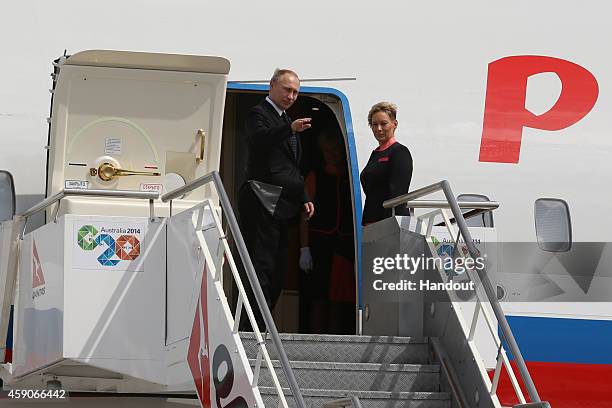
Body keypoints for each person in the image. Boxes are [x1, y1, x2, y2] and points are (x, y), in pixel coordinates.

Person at [238, 68, 315, 324]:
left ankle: (262, 322)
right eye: (287, 89)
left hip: (282, 205)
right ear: (271, 86)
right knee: (261, 265)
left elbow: (291, 167)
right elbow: (260, 140)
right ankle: (253, 326)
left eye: (295, 92)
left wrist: (304, 195)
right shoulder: (258, 114)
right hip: (261, 200)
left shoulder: (285, 120)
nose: (291, 96)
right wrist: (289, 130)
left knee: (278, 268)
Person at [298, 130, 355, 334]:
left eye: (335, 149)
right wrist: (304, 248)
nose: (332, 153)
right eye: (327, 150)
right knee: (319, 297)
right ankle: (316, 339)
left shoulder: (350, 176)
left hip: (344, 245)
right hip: (320, 244)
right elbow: (304, 215)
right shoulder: (315, 176)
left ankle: (336, 338)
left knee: (340, 298)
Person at [360, 102, 413, 225]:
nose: (379, 129)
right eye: (374, 124)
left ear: (395, 124)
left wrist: (386, 225)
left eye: (383, 124)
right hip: (370, 221)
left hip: (389, 223)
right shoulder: (375, 154)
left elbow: (398, 194)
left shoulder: (400, 152)